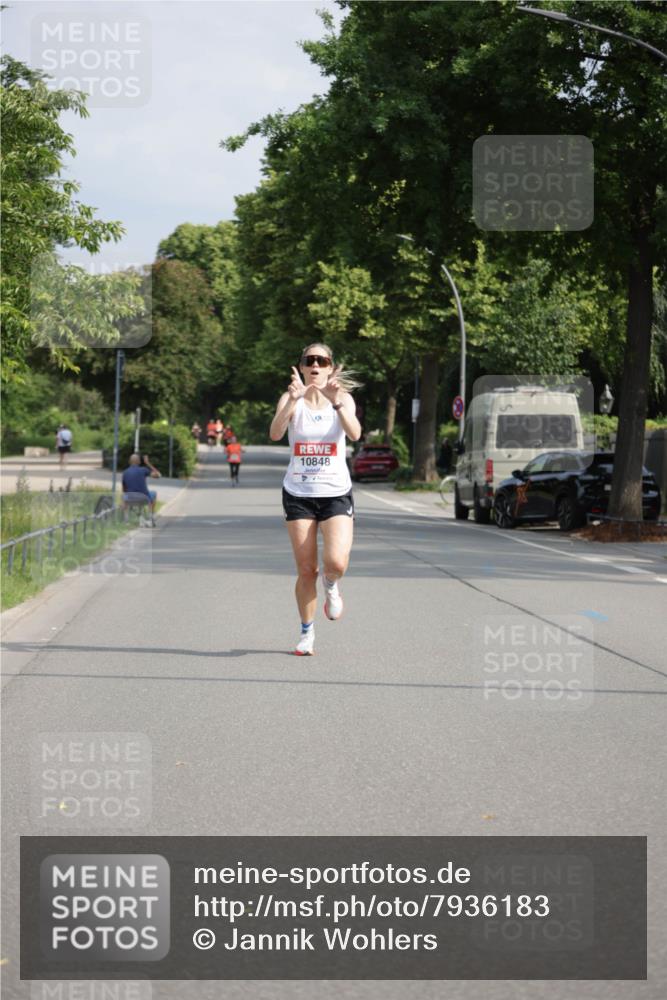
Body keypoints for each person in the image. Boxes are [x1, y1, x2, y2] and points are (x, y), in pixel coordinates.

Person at [269, 342, 362, 656]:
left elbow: (355, 433)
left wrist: (336, 403)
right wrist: (293, 401)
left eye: (321, 361)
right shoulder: (290, 398)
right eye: (309, 360)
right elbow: (275, 433)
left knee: (336, 562)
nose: (315, 366)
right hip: (299, 494)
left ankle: (332, 584)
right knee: (307, 569)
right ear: (302, 366)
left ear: (330, 367)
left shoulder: (343, 398)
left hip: (335, 493)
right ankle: (306, 633)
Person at [121, 453, 161, 525]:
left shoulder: (125, 472)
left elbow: (124, 490)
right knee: (154, 493)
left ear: (129, 462)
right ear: (139, 462)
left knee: (124, 497)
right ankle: (150, 518)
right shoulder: (143, 470)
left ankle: (126, 520)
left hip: (130, 499)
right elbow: (158, 475)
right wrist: (148, 463)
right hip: (144, 498)